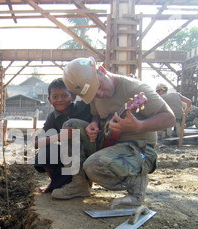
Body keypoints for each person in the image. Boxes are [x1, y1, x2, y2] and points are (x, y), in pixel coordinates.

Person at [53, 57, 175, 209]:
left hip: (140, 150)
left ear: (102, 71)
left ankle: (136, 185)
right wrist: (94, 124)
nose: (100, 94)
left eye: (100, 87)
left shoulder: (136, 89)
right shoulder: (93, 93)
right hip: (108, 143)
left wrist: (139, 125)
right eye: (94, 94)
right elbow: (96, 114)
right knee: (70, 127)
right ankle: (79, 185)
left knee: (93, 167)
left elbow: (170, 118)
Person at [34, 78, 93, 193]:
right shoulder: (53, 117)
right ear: (49, 99)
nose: (60, 100)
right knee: (45, 152)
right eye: (55, 97)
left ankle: (87, 181)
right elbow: (36, 143)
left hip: (87, 153)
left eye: (65, 96)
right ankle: (54, 182)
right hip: (69, 158)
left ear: (73, 96)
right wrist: (60, 136)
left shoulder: (84, 108)